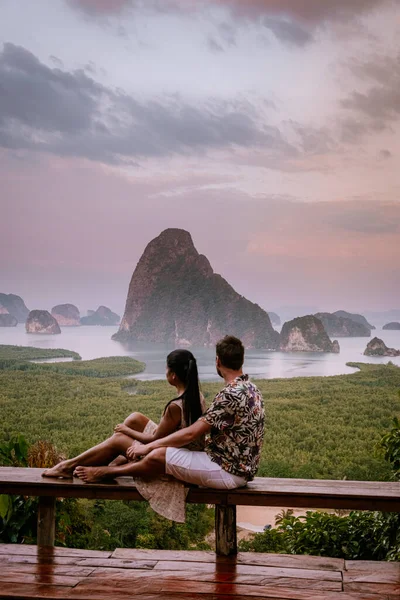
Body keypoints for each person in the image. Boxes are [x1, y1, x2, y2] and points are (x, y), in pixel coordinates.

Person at [74, 336, 265, 491]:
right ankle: (105, 464)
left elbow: (191, 433)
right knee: (151, 444)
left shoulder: (229, 394)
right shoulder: (252, 389)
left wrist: (149, 447)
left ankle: (105, 472)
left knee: (157, 455)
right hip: (237, 468)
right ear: (241, 360)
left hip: (226, 471)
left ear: (218, 361)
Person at [42, 349, 205, 479]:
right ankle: (115, 460)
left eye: (166, 368)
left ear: (173, 376)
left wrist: (126, 431)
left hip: (171, 456)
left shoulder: (175, 407)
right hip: (183, 448)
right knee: (135, 418)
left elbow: (155, 440)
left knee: (119, 438)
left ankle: (67, 467)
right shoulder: (195, 395)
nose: (165, 371)